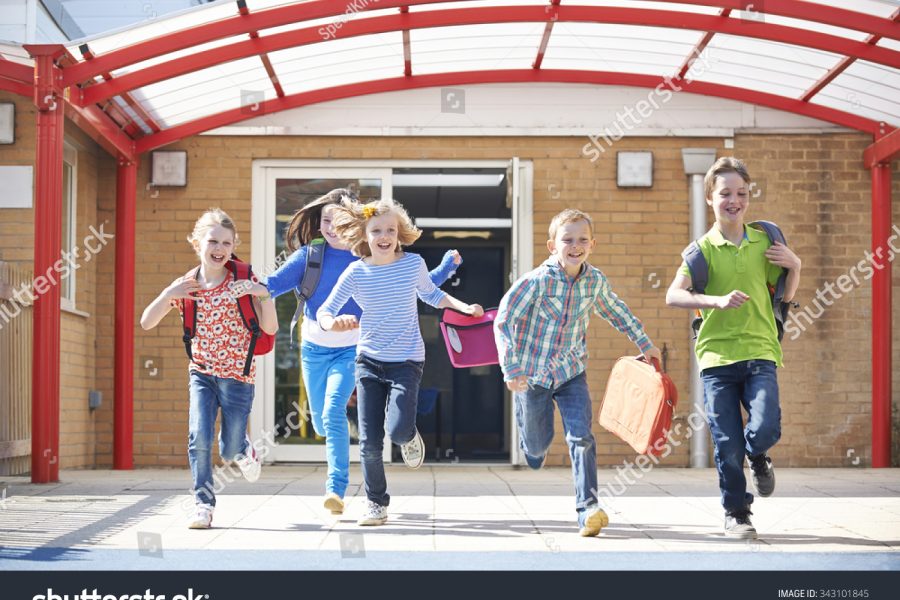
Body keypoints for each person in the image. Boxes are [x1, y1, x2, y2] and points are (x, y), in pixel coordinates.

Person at [265, 188, 461, 516]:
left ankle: (340, 490)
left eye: (339, 221)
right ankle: (365, 477)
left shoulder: (369, 255)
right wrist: (239, 286)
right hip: (315, 346)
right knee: (323, 424)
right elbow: (271, 285)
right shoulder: (311, 257)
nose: (331, 227)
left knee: (342, 418)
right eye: (326, 220)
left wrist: (446, 268)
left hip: (358, 350)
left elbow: (421, 286)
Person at [494, 208, 662, 537]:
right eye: (567, 239)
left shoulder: (594, 281)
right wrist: (510, 365)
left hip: (572, 373)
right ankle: (531, 445)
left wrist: (644, 342)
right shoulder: (537, 281)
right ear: (551, 245)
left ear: (593, 244)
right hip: (533, 377)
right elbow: (504, 319)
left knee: (581, 438)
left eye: (582, 239)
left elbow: (615, 310)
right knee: (539, 447)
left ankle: (588, 509)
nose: (575, 245)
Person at [317, 198, 483, 526]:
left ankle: (408, 435)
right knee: (368, 441)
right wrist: (330, 323)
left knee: (396, 430)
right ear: (364, 234)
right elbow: (326, 310)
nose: (384, 236)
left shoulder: (413, 264)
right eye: (377, 230)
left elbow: (432, 295)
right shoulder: (356, 272)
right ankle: (376, 503)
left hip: (407, 360)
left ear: (399, 233)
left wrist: (465, 308)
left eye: (390, 230)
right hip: (368, 362)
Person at [666, 157, 801, 539]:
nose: (734, 200)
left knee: (765, 427)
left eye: (741, 193)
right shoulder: (701, 251)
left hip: (761, 350)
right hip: (717, 358)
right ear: (711, 197)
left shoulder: (765, 240)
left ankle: (758, 456)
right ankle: (737, 513)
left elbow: (785, 297)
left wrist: (796, 266)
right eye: (725, 193)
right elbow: (673, 296)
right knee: (727, 445)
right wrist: (715, 301)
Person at [140, 208, 278, 529]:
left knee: (229, 448)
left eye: (226, 243)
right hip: (201, 372)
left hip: (238, 376)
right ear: (197, 243)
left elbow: (269, 328)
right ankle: (203, 504)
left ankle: (243, 447)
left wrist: (265, 294)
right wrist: (168, 294)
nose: (219, 248)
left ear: (232, 246)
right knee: (198, 436)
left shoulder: (243, 280)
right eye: (212, 241)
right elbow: (146, 322)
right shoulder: (186, 286)